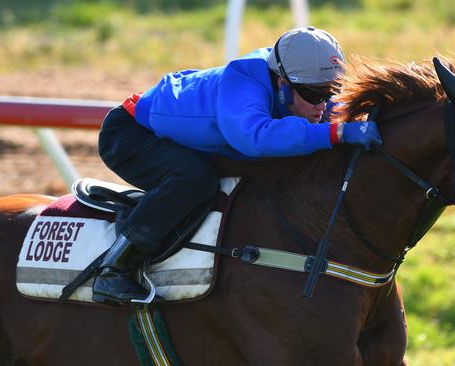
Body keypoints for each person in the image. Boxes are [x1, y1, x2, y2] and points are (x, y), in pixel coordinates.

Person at [92, 26, 383, 305]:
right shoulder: (242, 81)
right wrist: (336, 133)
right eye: (314, 96)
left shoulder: (300, 79)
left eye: (330, 92)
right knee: (195, 180)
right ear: (282, 84)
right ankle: (114, 270)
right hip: (130, 134)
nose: (324, 105)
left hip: (185, 139)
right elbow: (254, 137)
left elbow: (337, 111)